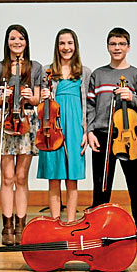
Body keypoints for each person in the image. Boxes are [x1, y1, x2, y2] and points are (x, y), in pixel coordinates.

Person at [87, 27, 137, 245]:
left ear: (128, 47)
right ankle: (96, 228)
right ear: (107, 47)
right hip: (103, 134)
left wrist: (132, 96)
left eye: (121, 44)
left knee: (136, 184)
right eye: (113, 44)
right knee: (101, 185)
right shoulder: (98, 74)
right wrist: (89, 131)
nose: (117, 48)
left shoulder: (136, 75)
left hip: (129, 135)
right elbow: (89, 106)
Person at [0, 24, 42, 245]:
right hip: (5, 121)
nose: (17, 42)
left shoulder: (35, 67)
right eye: (12, 38)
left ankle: (21, 225)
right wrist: (4, 95)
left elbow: (37, 100)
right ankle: (7, 226)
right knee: (7, 177)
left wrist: (29, 96)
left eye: (21, 38)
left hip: (27, 122)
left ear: (26, 42)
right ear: (7, 42)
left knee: (21, 178)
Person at [38, 29, 91, 222]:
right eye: (62, 43)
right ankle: (55, 222)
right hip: (53, 127)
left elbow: (88, 105)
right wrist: (44, 97)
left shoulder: (84, 72)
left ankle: (69, 222)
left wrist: (86, 130)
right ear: (57, 46)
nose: (66, 47)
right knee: (54, 176)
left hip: (76, 127)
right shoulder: (47, 70)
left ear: (75, 46)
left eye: (70, 43)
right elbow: (41, 105)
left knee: (72, 178)